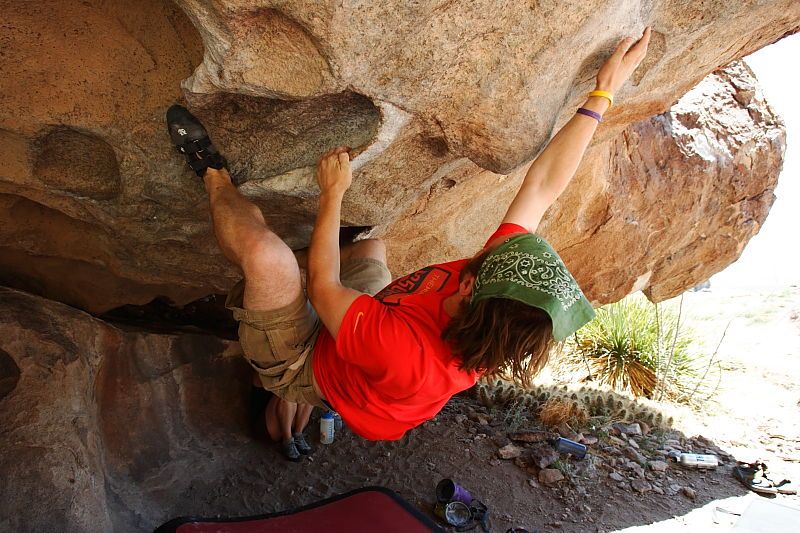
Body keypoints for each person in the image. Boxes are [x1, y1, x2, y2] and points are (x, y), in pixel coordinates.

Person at [166, 28, 651, 442]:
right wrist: (601, 96)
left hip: (305, 361)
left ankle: (213, 177)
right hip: (369, 344)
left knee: (268, 259)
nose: (493, 250)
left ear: (469, 289)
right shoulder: (497, 307)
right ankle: (332, 377)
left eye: (481, 268)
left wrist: (332, 193)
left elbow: (323, 287)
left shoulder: (410, 355)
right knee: (371, 248)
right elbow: (542, 189)